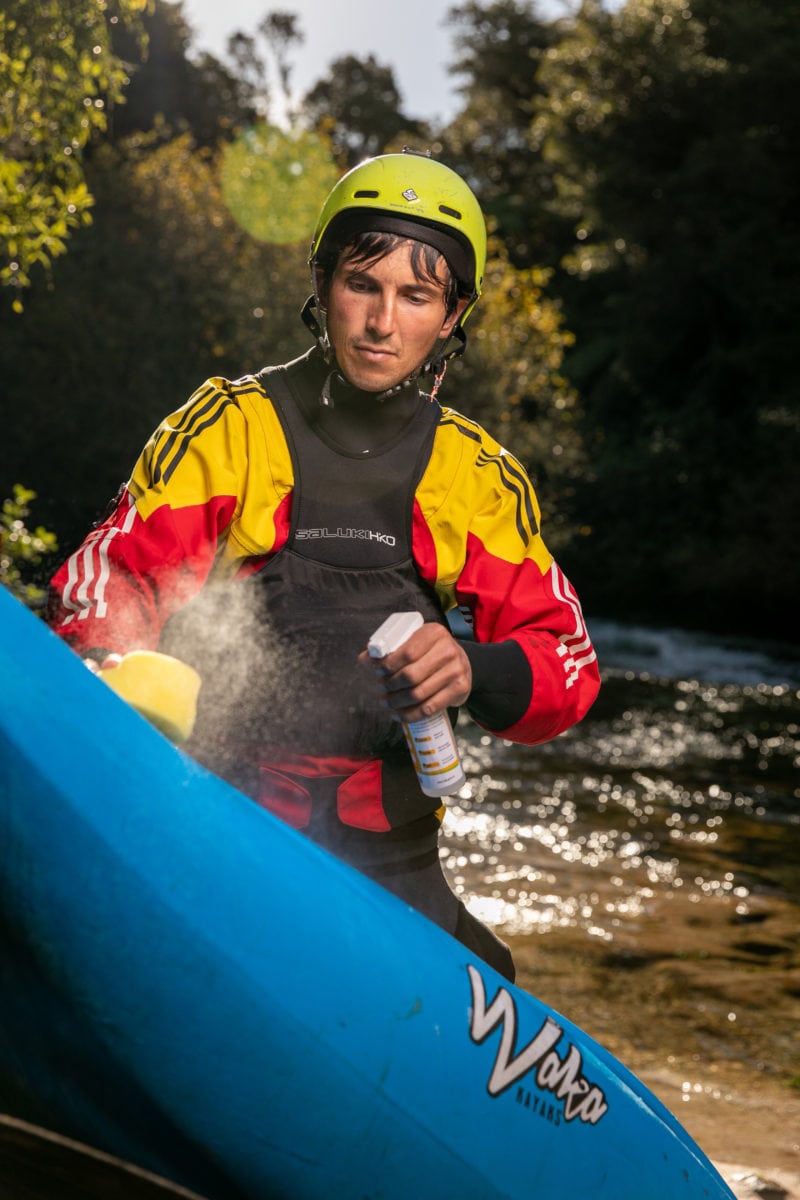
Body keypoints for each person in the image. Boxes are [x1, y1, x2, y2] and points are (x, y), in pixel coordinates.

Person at [47, 151, 600, 982]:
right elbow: (113, 577)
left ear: (450, 318)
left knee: (496, 975)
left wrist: (472, 665)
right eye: (362, 284)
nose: (383, 322)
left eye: (416, 296)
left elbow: (567, 662)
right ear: (322, 283)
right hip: (220, 836)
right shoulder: (231, 428)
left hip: (392, 868)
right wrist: (105, 658)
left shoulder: (473, 476)